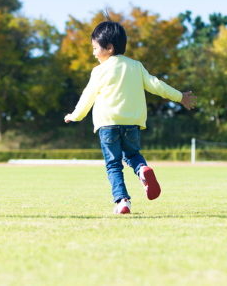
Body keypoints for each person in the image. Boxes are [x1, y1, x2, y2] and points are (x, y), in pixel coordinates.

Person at [64, 21, 195, 214]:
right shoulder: (136, 66)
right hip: (132, 124)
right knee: (133, 155)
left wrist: (75, 115)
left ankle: (122, 201)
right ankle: (142, 169)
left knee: (113, 165)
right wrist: (180, 96)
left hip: (107, 124)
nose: (93, 53)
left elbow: (87, 96)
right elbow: (156, 85)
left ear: (109, 48)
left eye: (94, 48)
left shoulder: (99, 71)